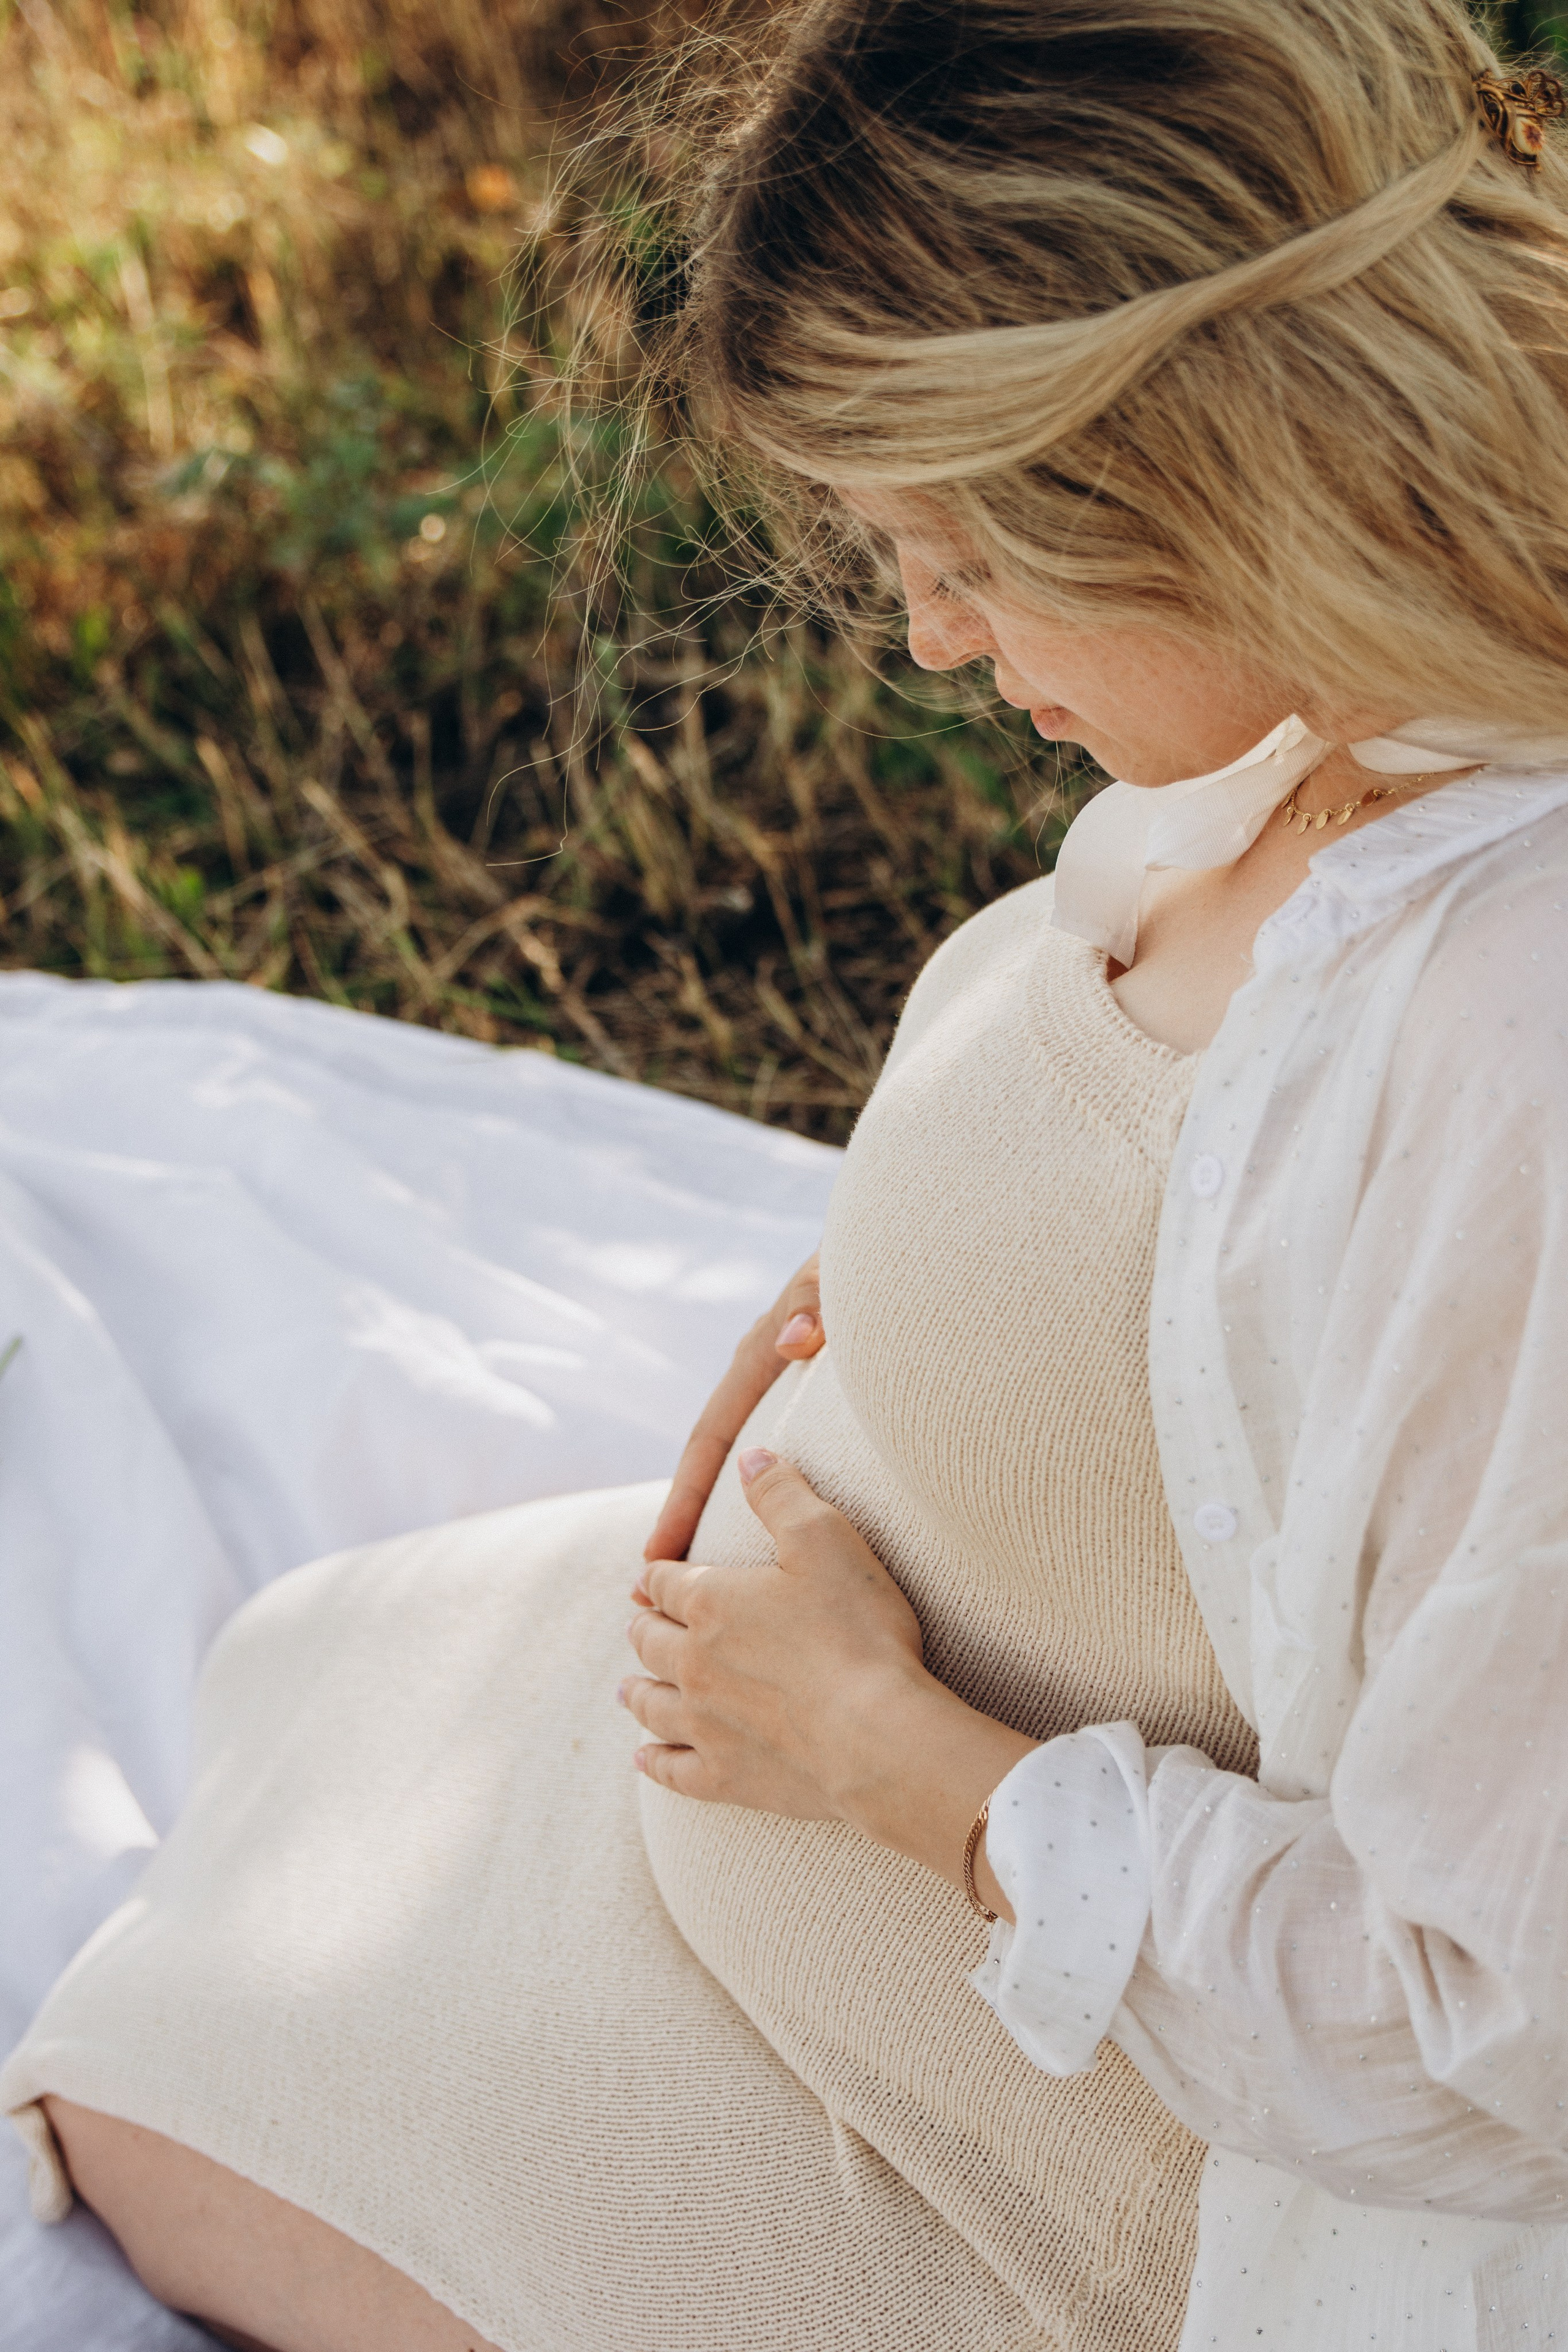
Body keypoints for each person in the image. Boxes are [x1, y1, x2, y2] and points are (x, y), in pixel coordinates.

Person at [7, 0, 1568, 2345]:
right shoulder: (1342, 681)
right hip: (770, 1795)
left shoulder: (1513, 1047)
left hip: (1017, 2133)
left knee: (115, 2102)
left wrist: (887, 1757)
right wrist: (934, 1273)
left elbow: (1491, 2044)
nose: (933, 640)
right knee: (289, 1705)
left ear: (1212, 474)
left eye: (967, 556)